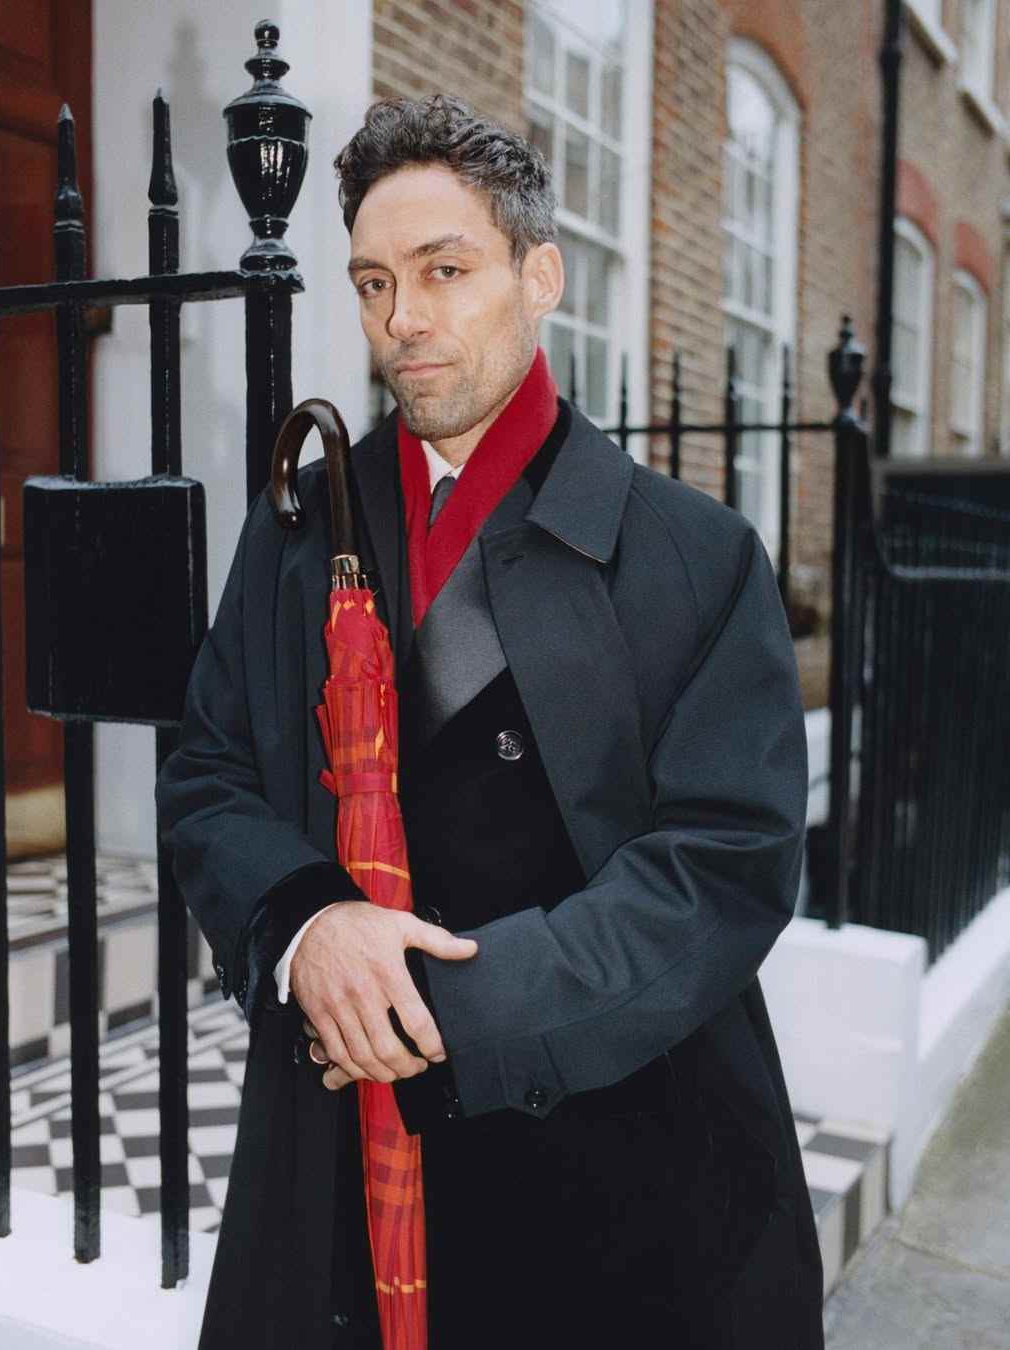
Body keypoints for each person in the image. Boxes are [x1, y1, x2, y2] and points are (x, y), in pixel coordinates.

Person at [155, 94, 824, 1350]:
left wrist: (439, 1010)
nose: (401, 319)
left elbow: (724, 865)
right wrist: (305, 926)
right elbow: (208, 775)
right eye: (372, 283)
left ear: (540, 277)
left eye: (443, 271)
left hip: (624, 1187)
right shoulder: (298, 528)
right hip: (339, 1164)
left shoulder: (697, 555)